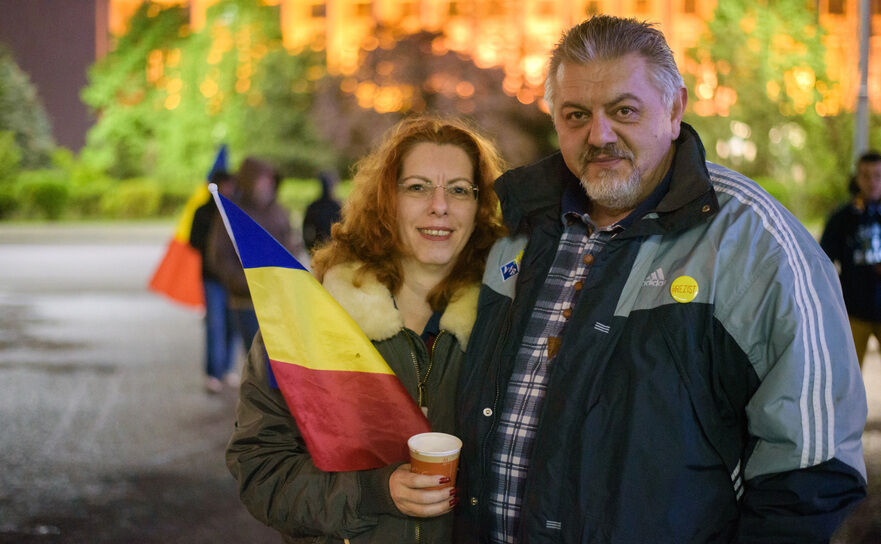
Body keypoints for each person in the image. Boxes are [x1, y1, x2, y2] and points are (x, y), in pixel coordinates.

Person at [455, 16, 867, 543]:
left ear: (674, 110)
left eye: (624, 110)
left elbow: (814, 463)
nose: (599, 135)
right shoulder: (514, 224)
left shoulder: (754, 242)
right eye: (576, 114)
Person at [225, 117, 506, 543]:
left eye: (459, 190)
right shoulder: (314, 315)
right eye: (417, 187)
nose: (440, 205)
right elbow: (260, 469)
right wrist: (373, 493)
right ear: (385, 201)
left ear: (480, 206)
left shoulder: (508, 320)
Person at [208, 157, 294, 358]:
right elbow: (219, 256)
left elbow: (290, 246)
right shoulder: (233, 214)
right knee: (257, 357)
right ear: (250, 181)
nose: (268, 185)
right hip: (247, 299)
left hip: (279, 297)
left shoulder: (279, 212)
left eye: (270, 180)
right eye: (263, 179)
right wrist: (243, 282)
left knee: (279, 358)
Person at [821, 151, 881, 368]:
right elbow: (823, 260)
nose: (872, 182)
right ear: (857, 179)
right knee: (849, 375)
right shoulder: (842, 218)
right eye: (866, 175)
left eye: (877, 175)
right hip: (853, 310)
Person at [190, 170, 239, 393]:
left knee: (232, 325)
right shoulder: (203, 212)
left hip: (232, 279)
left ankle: (227, 368)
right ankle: (213, 373)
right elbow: (193, 241)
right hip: (211, 277)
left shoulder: (236, 210)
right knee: (215, 325)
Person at [302, 169, 342, 253]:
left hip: (319, 252)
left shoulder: (313, 207)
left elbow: (307, 233)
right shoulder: (338, 207)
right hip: (332, 253)